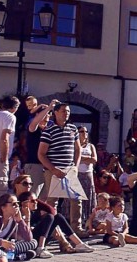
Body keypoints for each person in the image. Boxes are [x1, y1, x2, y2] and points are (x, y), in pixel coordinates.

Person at [12, 175, 94, 256]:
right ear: (16, 185)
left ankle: (78, 243)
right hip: (24, 239)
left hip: (36, 235)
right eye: (25, 183)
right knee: (49, 217)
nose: (28, 186)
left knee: (57, 216)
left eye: (31, 184)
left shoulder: (32, 200)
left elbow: (52, 210)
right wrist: (28, 217)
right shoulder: (13, 203)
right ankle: (42, 248)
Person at [38, 102, 85, 236]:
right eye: (63, 111)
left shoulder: (73, 129)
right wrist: (53, 169)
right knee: (52, 201)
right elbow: (41, 154)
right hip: (53, 170)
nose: (66, 114)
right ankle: (53, 230)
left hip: (69, 169)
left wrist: (75, 166)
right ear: (56, 113)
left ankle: (76, 228)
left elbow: (78, 149)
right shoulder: (49, 130)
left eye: (68, 111)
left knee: (76, 199)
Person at [0, 194, 38, 262]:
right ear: (3, 207)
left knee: (33, 242)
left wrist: (20, 221)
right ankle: (13, 257)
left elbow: (28, 238)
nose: (17, 206)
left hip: (3, 248)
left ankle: (10, 257)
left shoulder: (13, 220)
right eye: (14, 204)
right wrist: (1, 242)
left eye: (17, 203)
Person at [25, 100, 57, 198]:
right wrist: (48, 108)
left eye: (49, 113)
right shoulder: (33, 128)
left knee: (44, 198)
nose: (48, 115)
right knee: (32, 196)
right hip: (35, 165)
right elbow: (35, 122)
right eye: (46, 112)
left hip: (47, 166)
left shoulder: (49, 130)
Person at [76, 126, 97, 236]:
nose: (84, 133)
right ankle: (77, 221)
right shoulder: (75, 145)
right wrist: (85, 159)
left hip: (88, 174)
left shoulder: (90, 146)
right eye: (81, 131)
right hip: (77, 174)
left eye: (86, 131)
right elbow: (73, 158)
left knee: (88, 197)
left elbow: (94, 160)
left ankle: (88, 221)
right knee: (77, 198)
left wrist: (80, 158)